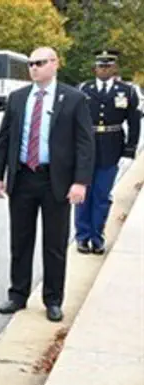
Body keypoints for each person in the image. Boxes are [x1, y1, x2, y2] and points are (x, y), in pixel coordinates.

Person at [0, 47, 95, 323]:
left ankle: (53, 299)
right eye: (30, 64)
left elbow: (85, 143)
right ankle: (17, 294)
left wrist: (80, 182)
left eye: (39, 63)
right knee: (20, 240)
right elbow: (4, 138)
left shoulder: (73, 99)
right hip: (23, 177)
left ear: (54, 64)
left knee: (55, 243)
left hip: (55, 181)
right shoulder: (17, 98)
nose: (33, 68)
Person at [75, 49, 140, 255]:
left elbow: (134, 122)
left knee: (102, 195)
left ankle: (97, 236)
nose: (104, 69)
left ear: (115, 68)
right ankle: (82, 237)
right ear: (95, 68)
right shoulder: (84, 89)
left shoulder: (126, 91)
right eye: (101, 65)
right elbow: (73, 121)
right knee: (83, 194)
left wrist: (130, 150)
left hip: (112, 148)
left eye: (108, 65)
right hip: (86, 148)